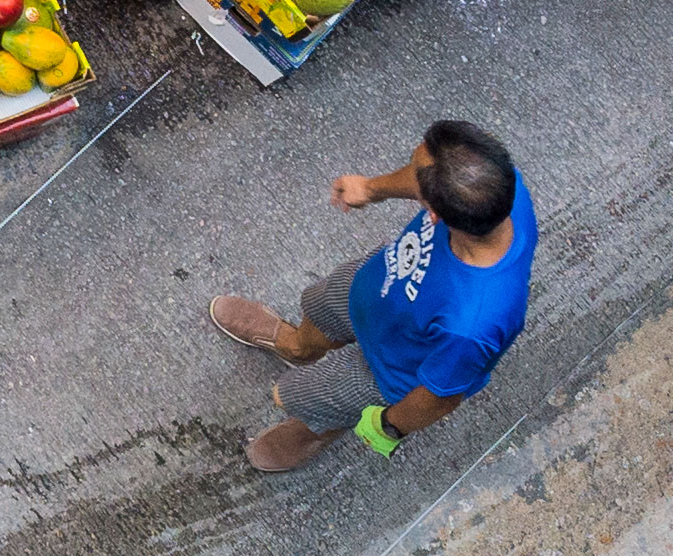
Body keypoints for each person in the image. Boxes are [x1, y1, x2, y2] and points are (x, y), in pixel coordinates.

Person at [209, 120, 537, 472]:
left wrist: (387, 427)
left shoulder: (472, 326)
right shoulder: (494, 184)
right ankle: (295, 347)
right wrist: (371, 188)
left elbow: (440, 397)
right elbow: (423, 174)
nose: (411, 172)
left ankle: (314, 429)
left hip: (386, 369)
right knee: (319, 311)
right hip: (374, 285)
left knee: (320, 398)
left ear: (434, 213)